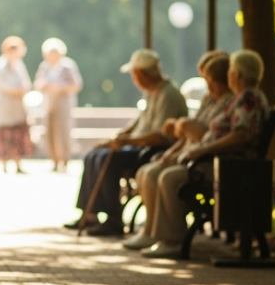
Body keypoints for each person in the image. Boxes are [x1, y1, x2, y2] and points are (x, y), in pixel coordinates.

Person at [133, 50, 271, 258]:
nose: (229, 76)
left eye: (232, 71)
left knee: (169, 178)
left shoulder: (248, 97)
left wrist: (202, 150)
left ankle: (172, 240)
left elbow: (241, 136)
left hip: (225, 165)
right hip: (214, 161)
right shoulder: (243, 97)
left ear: (237, 75)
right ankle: (160, 235)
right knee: (160, 173)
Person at [67, 48, 187, 236]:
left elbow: (160, 136)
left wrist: (127, 141)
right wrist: (116, 139)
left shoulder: (168, 95)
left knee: (108, 159)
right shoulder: (151, 93)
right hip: (138, 144)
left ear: (143, 74)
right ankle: (90, 214)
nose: (133, 79)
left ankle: (113, 218)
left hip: (152, 149)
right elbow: (137, 124)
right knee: (93, 155)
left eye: (134, 75)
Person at [123, 50, 232, 252]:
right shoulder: (210, 100)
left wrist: (188, 132)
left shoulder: (228, 103)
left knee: (167, 178)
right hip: (190, 154)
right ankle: (150, 232)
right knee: (146, 172)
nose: (208, 87)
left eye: (210, 81)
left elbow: (208, 136)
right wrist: (171, 153)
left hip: (204, 161)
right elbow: (188, 135)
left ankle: (172, 239)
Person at [34, 37, 83, 173]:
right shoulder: (44, 67)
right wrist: (44, 85)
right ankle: (54, 159)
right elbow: (37, 82)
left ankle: (65, 159)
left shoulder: (68, 66)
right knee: (49, 131)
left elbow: (76, 84)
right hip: (49, 102)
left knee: (64, 130)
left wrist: (59, 87)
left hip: (63, 102)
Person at [0, 36, 35, 173]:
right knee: (5, 134)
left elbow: (26, 83)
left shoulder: (19, 65)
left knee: (18, 134)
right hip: (5, 106)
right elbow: (1, 84)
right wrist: (15, 90)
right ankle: (4, 163)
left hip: (18, 106)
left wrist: (21, 90)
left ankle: (18, 163)